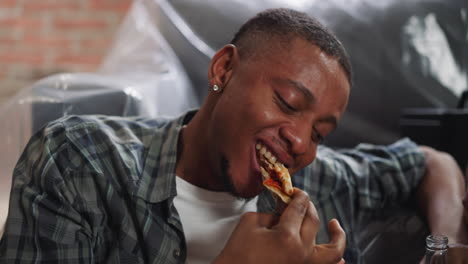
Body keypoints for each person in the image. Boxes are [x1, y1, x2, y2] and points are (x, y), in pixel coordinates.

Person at [0, 8, 467, 264]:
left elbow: (431, 162)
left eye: (321, 133)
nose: (301, 143)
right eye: (287, 103)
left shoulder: (317, 182)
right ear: (224, 68)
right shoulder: (82, 162)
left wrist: (444, 246)